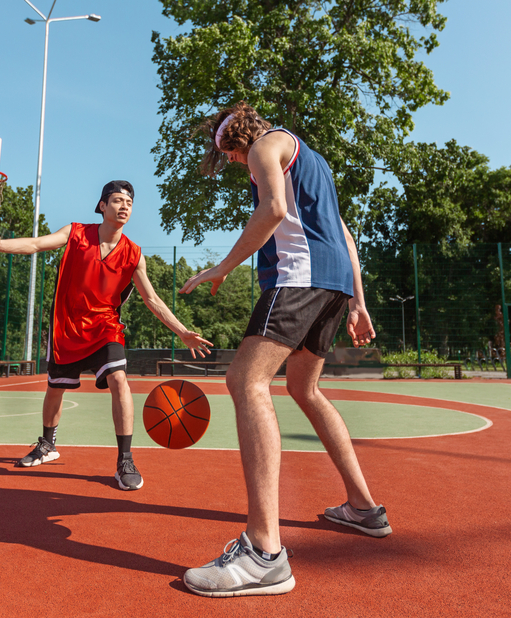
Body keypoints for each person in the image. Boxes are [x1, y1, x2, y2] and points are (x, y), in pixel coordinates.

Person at [179, 103, 388, 597]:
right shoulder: (310, 158)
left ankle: (263, 553)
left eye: (226, 154)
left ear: (233, 141)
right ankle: (363, 507)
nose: (233, 163)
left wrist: (222, 267)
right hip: (333, 283)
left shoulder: (262, 147)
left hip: (299, 280)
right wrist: (357, 302)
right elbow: (344, 235)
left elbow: (271, 210)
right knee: (304, 389)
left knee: (245, 381)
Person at [0, 180, 212, 491]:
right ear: (102, 206)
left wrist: (183, 331)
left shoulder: (133, 254)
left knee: (119, 379)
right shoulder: (76, 233)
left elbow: (153, 300)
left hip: (106, 327)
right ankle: (48, 444)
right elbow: (37, 244)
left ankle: (125, 459)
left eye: (129, 202)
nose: (124, 206)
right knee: (55, 389)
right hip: (67, 327)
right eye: (117, 200)